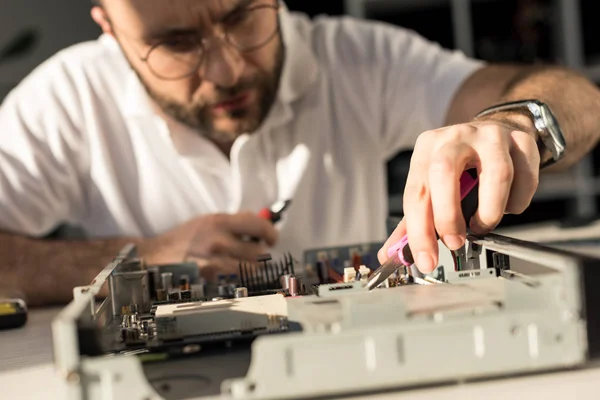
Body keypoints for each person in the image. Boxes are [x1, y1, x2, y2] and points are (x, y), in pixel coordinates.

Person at [1, 0, 599, 306]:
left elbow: (581, 101)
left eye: (242, 16)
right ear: (109, 26)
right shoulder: (68, 98)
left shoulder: (356, 58)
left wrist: (516, 119)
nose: (228, 68)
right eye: (176, 43)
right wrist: (144, 257)